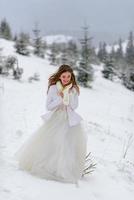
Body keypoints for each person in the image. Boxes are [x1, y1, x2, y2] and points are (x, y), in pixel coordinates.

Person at [15, 64, 88, 185]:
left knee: (66, 145)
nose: (66, 79)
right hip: (56, 118)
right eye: (63, 76)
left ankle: (62, 170)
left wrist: (69, 95)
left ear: (71, 77)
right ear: (59, 76)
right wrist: (60, 98)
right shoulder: (54, 88)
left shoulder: (73, 89)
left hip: (69, 119)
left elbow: (74, 107)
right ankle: (47, 168)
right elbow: (48, 106)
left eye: (68, 77)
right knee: (52, 142)